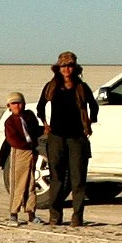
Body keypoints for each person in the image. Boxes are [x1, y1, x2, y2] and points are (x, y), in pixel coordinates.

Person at [36, 52, 98, 227]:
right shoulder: (51, 86)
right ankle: (55, 216)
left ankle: (77, 217)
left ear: (75, 68)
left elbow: (94, 106)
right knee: (56, 179)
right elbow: (40, 107)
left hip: (77, 138)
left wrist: (89, 123)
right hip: (56, 138)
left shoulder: (81, 87)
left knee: (78, 179)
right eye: (63, 66)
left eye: (69, 66)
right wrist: (45, 124)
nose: (66, 69)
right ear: (58, 68)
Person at [0, 91, 41, 224]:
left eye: (19, 103)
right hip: (19, 152)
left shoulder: (29, 116)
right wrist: (28, 145)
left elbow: (35, 130)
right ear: (9, 106)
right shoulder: (10, 122)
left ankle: (31, 213)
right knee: (18, 183)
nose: (17, 106)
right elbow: (13, 140)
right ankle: (13, 213)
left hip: (31, 151)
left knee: (31, 183)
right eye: (14, 103)